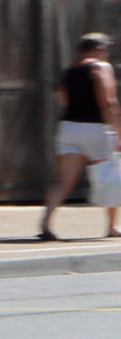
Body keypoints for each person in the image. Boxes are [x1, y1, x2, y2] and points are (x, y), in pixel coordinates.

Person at [40, 31, 121, 240]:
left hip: (69, 127)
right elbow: (108, 101)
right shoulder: (100, 67)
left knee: (62, 179)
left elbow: (64, 99)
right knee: (109, 176)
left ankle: (46, 222)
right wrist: (117, 130)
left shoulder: (70, 71)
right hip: (96, 128)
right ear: (98, 49)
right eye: (106, 49)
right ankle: (112, 227)